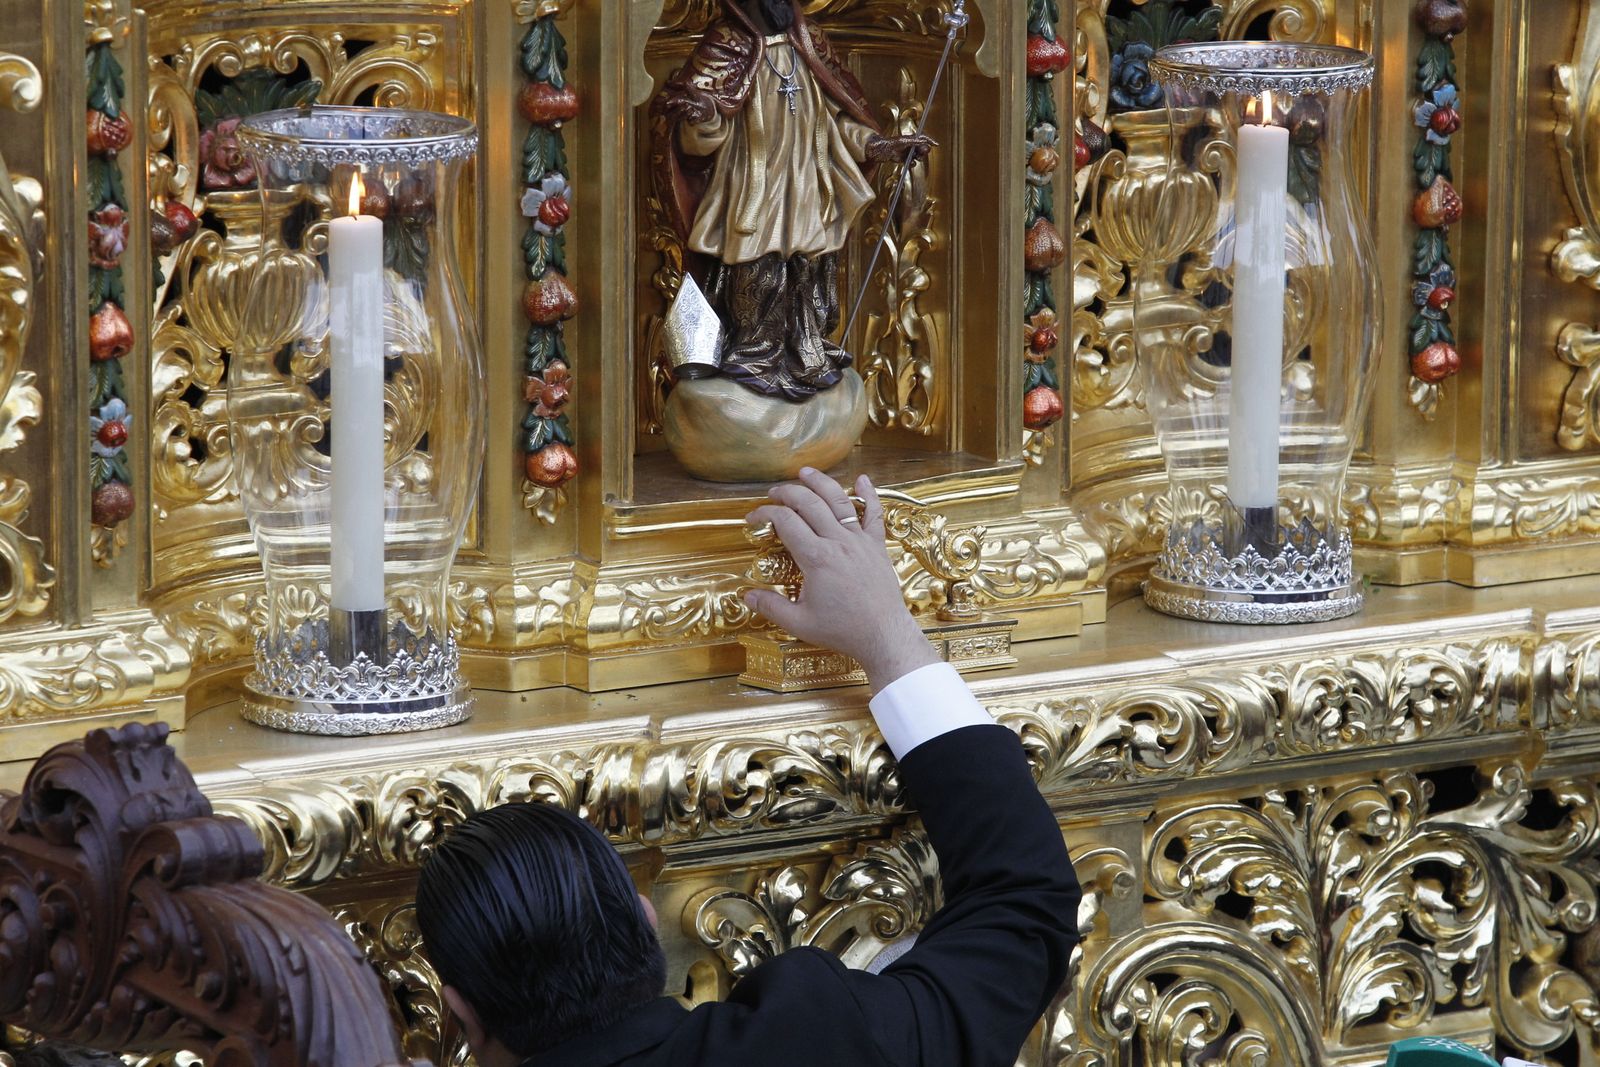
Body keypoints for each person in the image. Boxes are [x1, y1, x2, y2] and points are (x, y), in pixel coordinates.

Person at [416, 469, 1082, 1067]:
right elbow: (1025, 903)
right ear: (644, 920)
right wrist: (889, 637)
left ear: (460, 1018)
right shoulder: (818, 1038)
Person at [651, 0, 932, 400]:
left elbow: (842, 120)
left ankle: (807, 354)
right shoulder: (724, 45)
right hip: (751, 192)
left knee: (811, 277)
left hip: (809, 190)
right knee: (756, 277)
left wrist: (881, 145)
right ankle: (751, 364)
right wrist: (702, 116)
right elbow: (696, 143)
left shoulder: (812, 41)